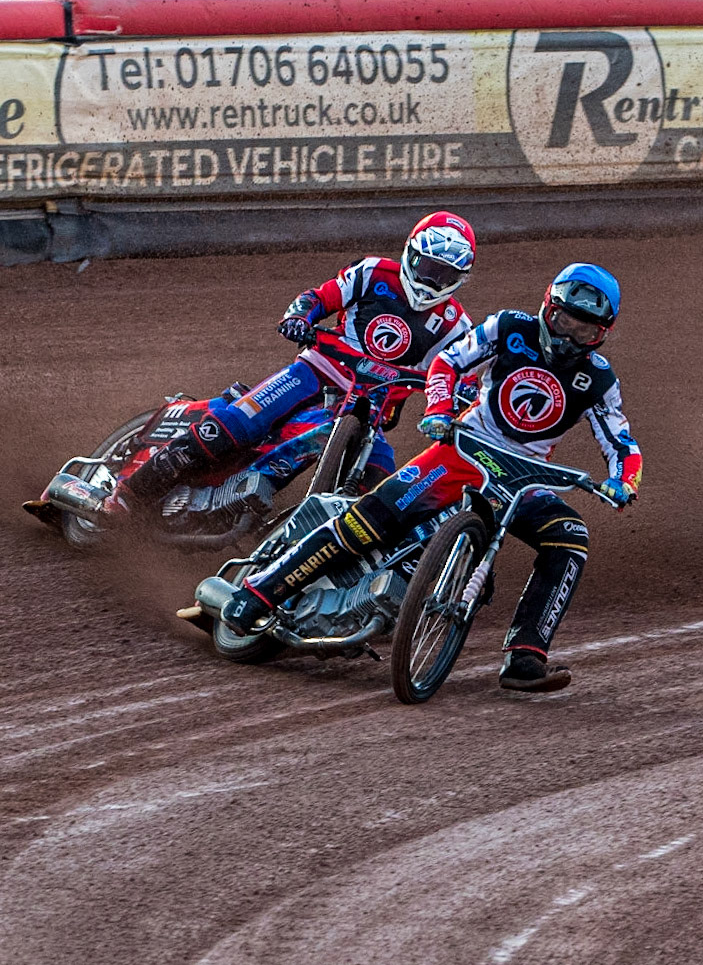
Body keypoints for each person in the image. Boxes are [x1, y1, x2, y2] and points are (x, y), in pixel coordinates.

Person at [217, 263, 642, 693]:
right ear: (548, 308)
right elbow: (447, 362)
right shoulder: (508, 326)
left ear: (602, 333)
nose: (569, 336)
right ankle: (260, 593)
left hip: (524, 480)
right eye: (564, 321)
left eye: (585, 331)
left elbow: (621, 441)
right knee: (368, 520)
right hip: (463, 449)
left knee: (570, 537)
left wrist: (624, 481)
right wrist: (439, 410)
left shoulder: (601, 379)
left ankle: (526, 657)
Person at [106, 212, 477, 515]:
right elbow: (320, 297)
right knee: (235, 425)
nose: (432, 280)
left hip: (369, 409)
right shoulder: (372, 273)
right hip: (315, 372)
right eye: (428, 267)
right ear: (410, 253)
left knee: (381, 481)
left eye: (445, 275)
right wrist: (300, 317)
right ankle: (127, 495)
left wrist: (465, 401)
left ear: (459, 279)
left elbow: (463, 374)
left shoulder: (456, 325)